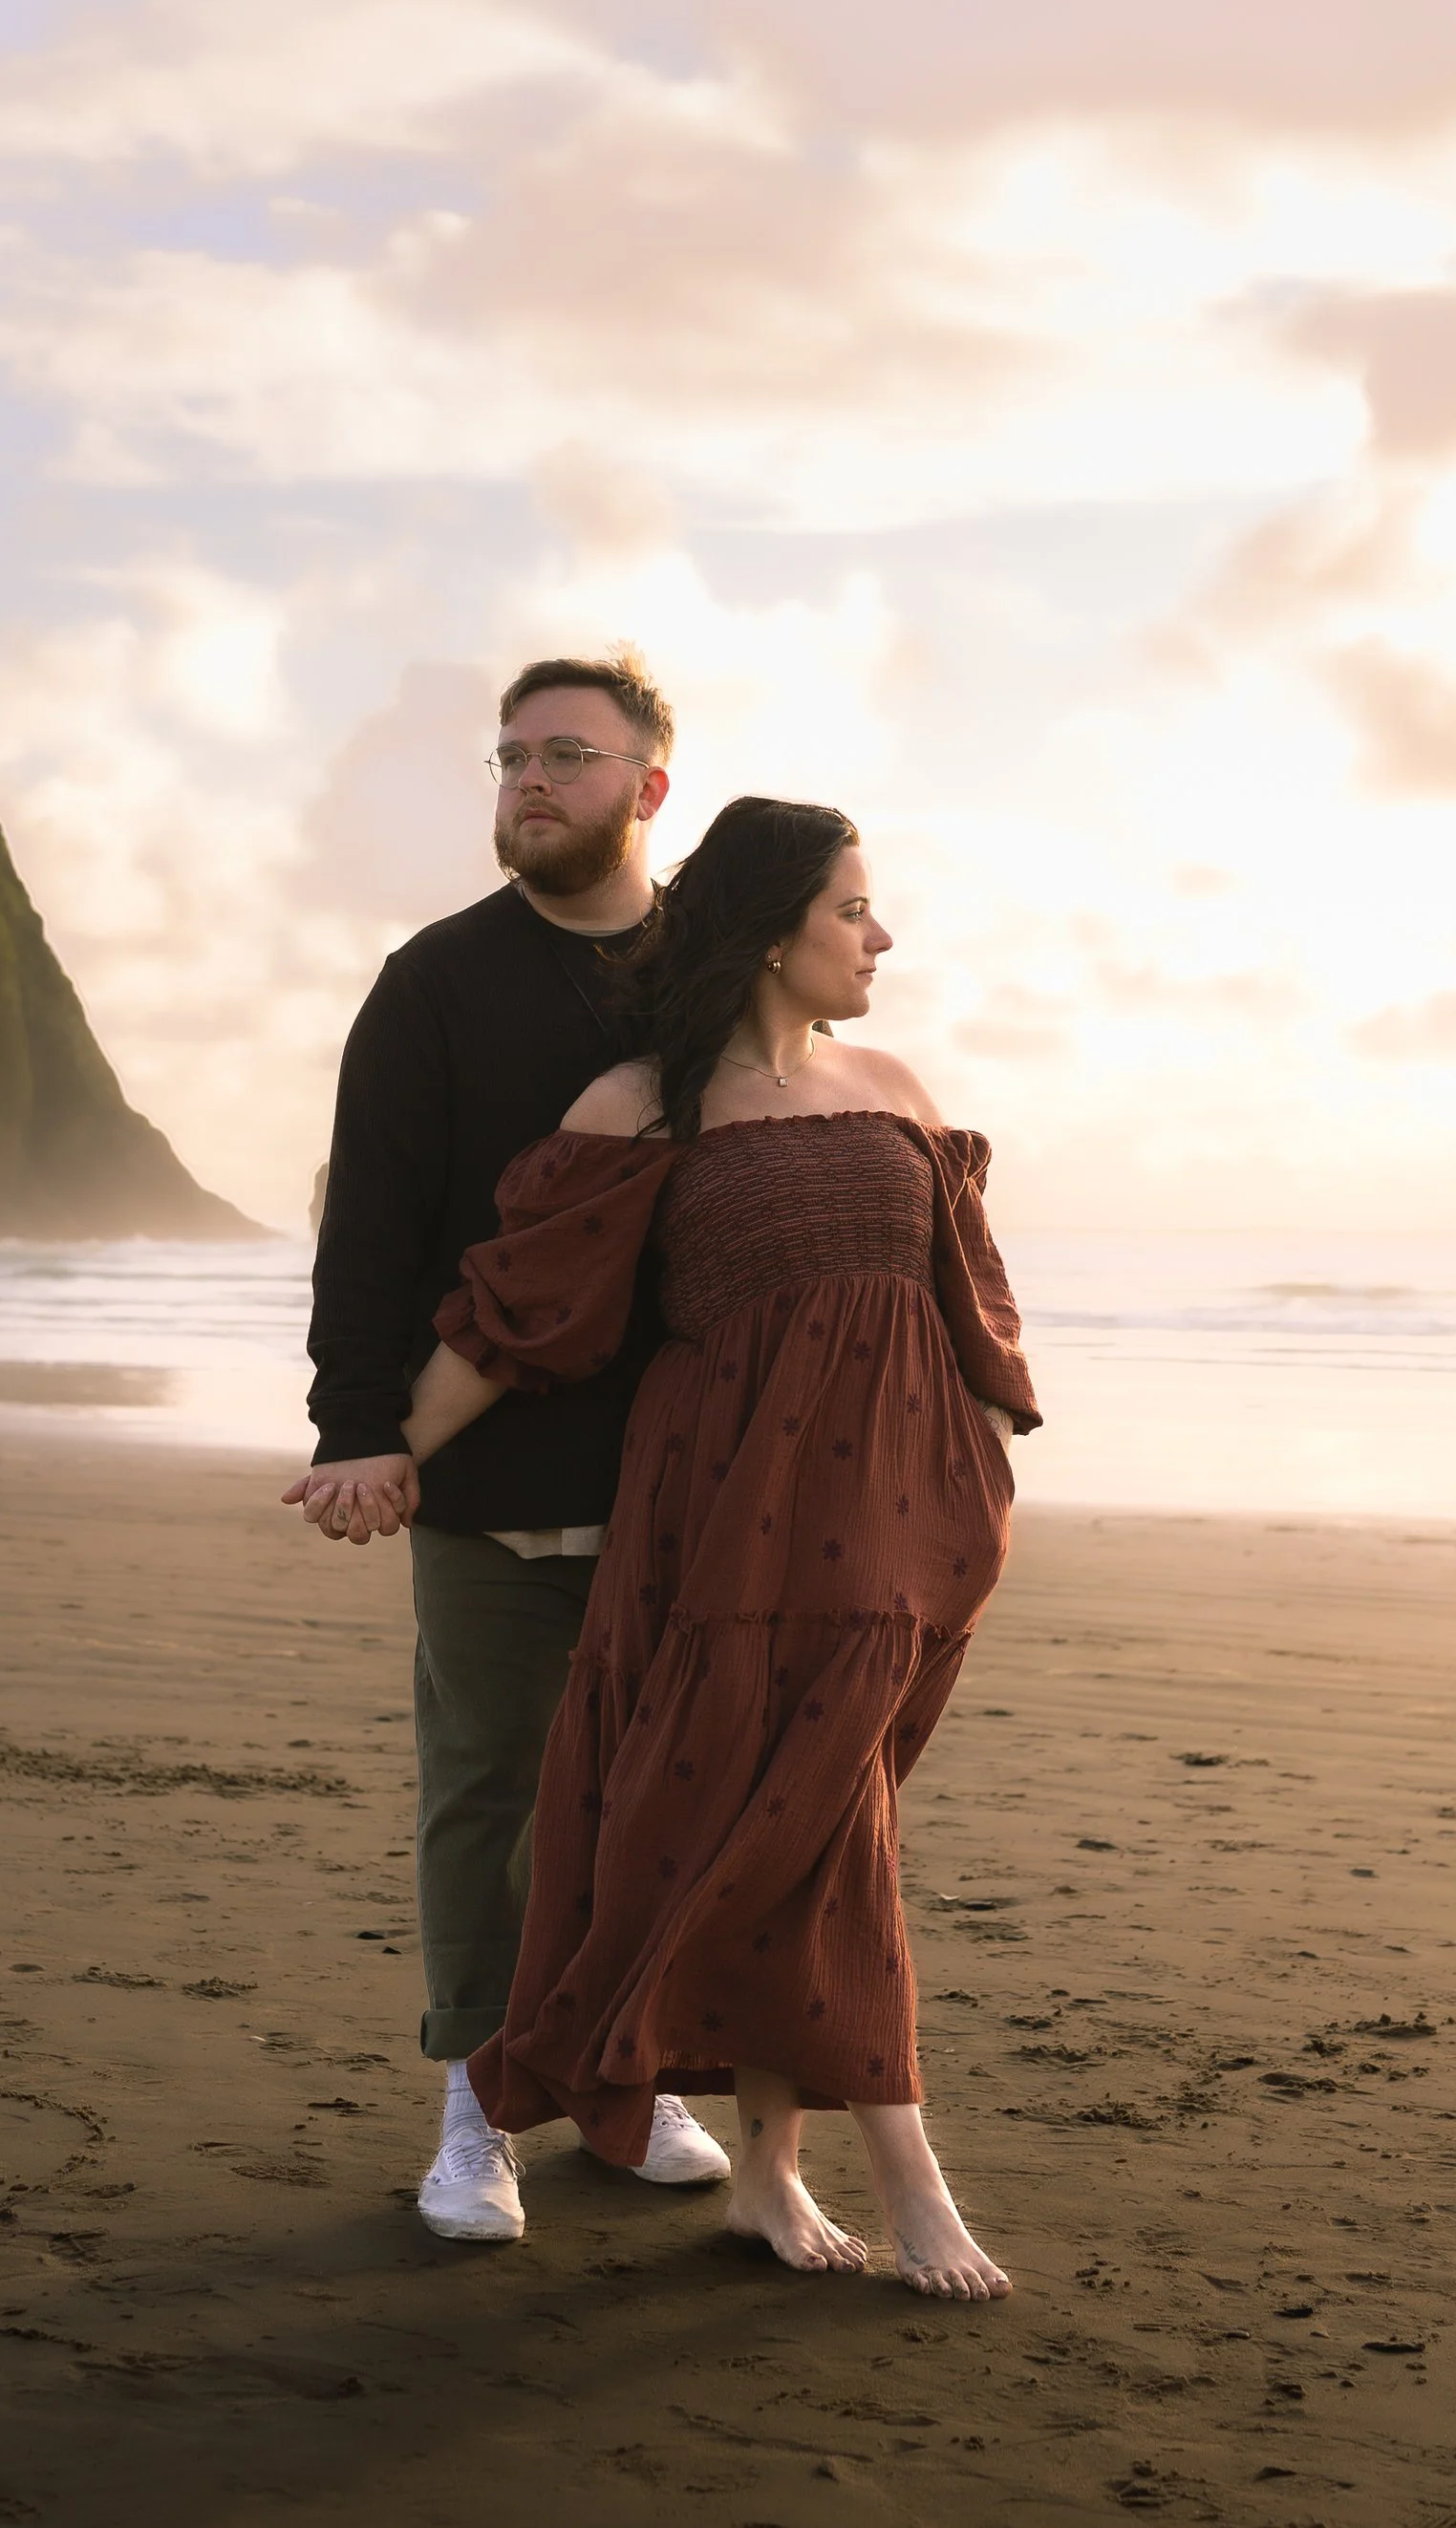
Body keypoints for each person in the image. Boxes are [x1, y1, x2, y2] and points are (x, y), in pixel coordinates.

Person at [398, 797, 1039, 2300]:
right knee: (800, 1819)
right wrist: (380, 1450)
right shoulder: (641, 1106)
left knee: (814, 1814)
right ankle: (897, 2182)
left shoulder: (895, 1087)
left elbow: (972, 1302)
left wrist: (981, 1477)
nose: (881, 938)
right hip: (729, 1529)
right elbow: (523, 1313)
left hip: (906, 1523)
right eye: (852, 910)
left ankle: (769, 2172)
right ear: (768, 930)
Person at [283, 653, 732, 2242]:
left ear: (649, 787)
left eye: (567, 755)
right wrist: (358, 1430)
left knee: (653, 1797)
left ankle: (627, 2076)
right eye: (511, 756)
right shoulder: (436, 980)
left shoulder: (709, 978)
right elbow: (369, 1224)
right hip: (484, 1477)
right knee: (488, 1793)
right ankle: (478, 2106)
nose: (530, 780)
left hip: (675, 1479)